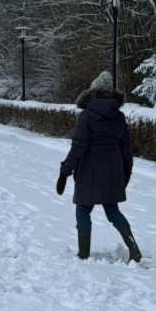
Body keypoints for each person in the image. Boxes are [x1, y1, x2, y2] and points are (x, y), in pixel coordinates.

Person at [56, 70, 142, 263]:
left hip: (89, 173)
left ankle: (83, 254)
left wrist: (64, 171)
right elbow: (126, 150)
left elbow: (78, 147)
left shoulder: (87, 116)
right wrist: (126, 173)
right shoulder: (118, 117)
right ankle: (134, 249)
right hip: (113, 172)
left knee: (83, 210)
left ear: (93, 92)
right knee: (112, 210)